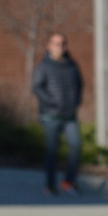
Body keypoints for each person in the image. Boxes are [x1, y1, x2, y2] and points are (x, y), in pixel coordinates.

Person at [32, 33, 83, 196]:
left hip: (69, 115)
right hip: (50, 115)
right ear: (48, 46)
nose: (58, 47)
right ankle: (50, 185)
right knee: (52, 151)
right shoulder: (43, 66)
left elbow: (80, 85)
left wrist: (76, 101)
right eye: (55, 43)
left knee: (76, 145)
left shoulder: (72, 65)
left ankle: (69, 181)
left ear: (65, 46)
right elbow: (37, 87)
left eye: (61, 44)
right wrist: (51, 102)